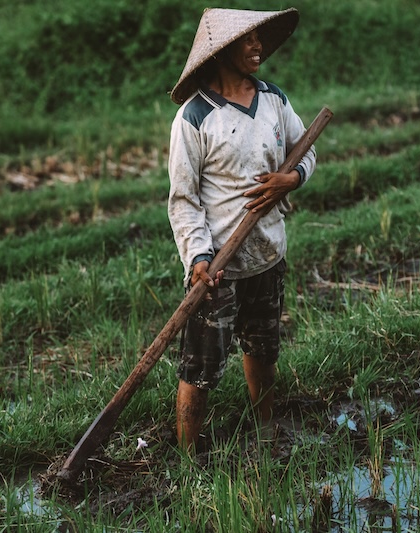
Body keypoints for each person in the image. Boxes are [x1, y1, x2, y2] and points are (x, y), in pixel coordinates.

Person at [167, 7, 316, 454]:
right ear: (220, 52)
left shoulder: (273, 99)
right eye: (247, 39)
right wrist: (198, 258)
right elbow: (183, 200)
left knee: (263, 350)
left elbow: (305, 149)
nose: (257, 45)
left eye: (258, 38)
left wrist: (293, 178)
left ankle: (266, 431)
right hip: (219, 268)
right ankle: (187, 458)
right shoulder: (194, 117)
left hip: (267, 254)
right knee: (200, 367)